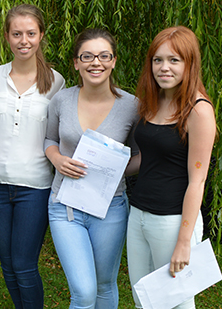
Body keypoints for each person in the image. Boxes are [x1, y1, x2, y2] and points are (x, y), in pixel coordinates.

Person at [44, 28, 139, 309]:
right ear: (76, 62)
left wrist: (116, 168)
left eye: (103, 56)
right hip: (65, 206)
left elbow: (139, 155)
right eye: (87, 56)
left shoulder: (132, 105)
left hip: (110, 207)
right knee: (84, 292)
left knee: (105, 285)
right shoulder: (61, 100)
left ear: (113, 61)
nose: (95, 62)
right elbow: (49, 139)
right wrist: (58, 159)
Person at [0, 4, 65, 309]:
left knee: (25, 264)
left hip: (35, 185)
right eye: (17, 34)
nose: (24, 40)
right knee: (7, 263)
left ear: (41, 35)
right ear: (7, 37)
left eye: (31, 33)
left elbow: (57, 135)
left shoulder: (56, 82)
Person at [126, 26, 216, 309]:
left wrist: (184, 241)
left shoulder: (198, 111)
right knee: (143, 299)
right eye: (158, 60)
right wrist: (106, 168)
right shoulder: (153, 103)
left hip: (172, 220)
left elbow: (197, 181)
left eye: (174, 60)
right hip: (138, 214)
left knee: (175, 302)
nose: (164, 68)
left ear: (190, 64)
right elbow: (150, 158)